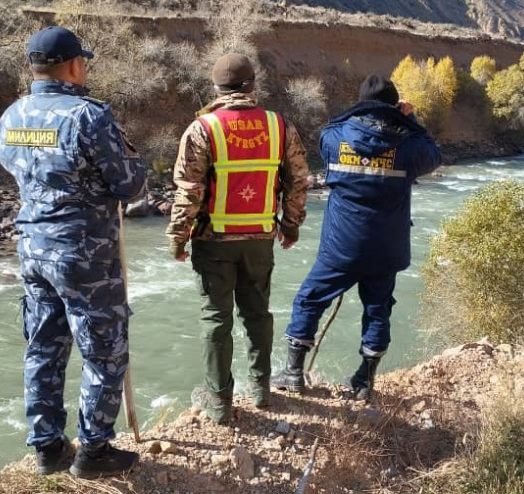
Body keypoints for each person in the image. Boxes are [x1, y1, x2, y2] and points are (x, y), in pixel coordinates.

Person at [0, 26, 147, 479]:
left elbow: (8, 161)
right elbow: (130, 185)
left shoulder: (12, 115)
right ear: (75, 66)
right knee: (104, 351)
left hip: (32, 247)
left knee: (44, 346)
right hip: (85, 253)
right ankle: (93, 452)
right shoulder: (88, 116)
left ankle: (47, 447)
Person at [271, 74, 442, 401]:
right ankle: (364, 381)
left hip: (342, 245)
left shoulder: (335, 137)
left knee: (310, 299)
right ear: (395, 107)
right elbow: (432, 154)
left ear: (362, 105)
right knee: (378, 309)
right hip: (387, 247)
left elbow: (326, 136)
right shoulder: (409, 146)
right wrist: (411, 119)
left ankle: (293, 373)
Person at [167, 53, 309, 424]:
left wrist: (178, 238)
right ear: (252, 85)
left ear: (216, 88)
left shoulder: (202, 128)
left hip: (213, 242)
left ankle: (220, 404)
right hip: (260, 238)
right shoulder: (280, 127)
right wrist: (290, 226)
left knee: (216, 319)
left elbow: (189, 191)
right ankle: (261, 391)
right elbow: (298, 181)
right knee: (258, 313)